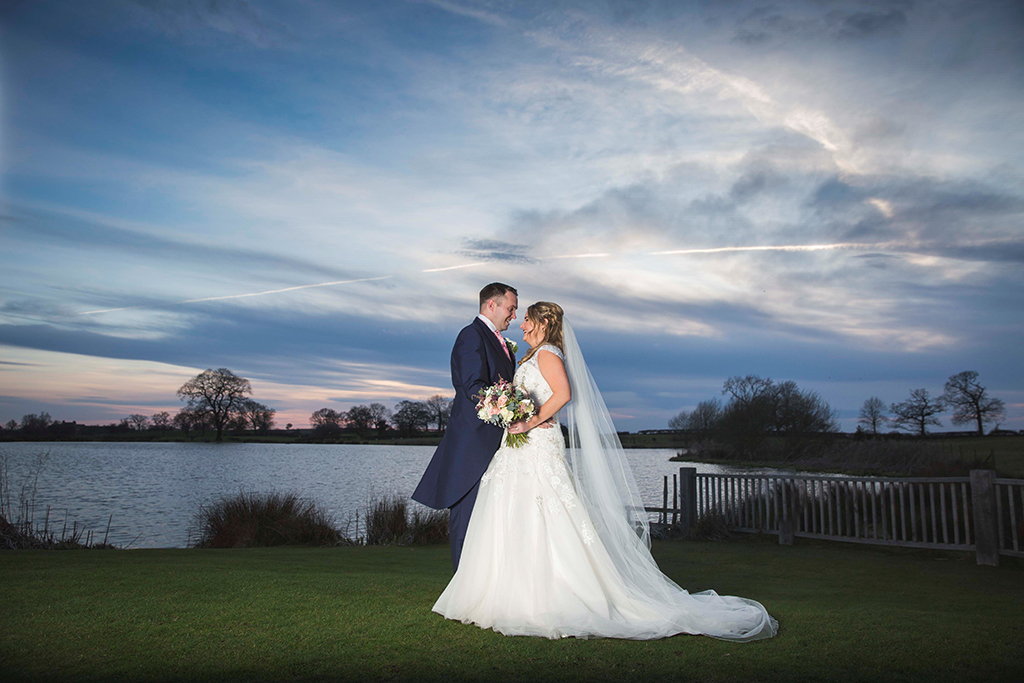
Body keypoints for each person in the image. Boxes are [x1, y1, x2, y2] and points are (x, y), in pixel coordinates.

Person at [432, 301, 778, 641]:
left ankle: (555, 594)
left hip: (538, 444)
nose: (521, 324)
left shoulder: (549, 353)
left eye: (526, 319)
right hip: (519, 447)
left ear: (542, 323)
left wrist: (532, 420)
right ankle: (506, 591)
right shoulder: (531, 355)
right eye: (519, 317)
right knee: (515, 511)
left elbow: (563, 393)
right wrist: (511, 413)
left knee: (547, 511)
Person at [412, 283, 519, 571]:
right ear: (491, 305)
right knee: (468, 514)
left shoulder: (501, 343)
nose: (514, 316)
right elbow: (473, 387)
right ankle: (462, 586)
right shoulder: (471, 335)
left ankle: (485, 582)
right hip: (473, 442)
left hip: (496, 441)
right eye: (511, 309)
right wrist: (509, 410)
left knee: (489, 515)